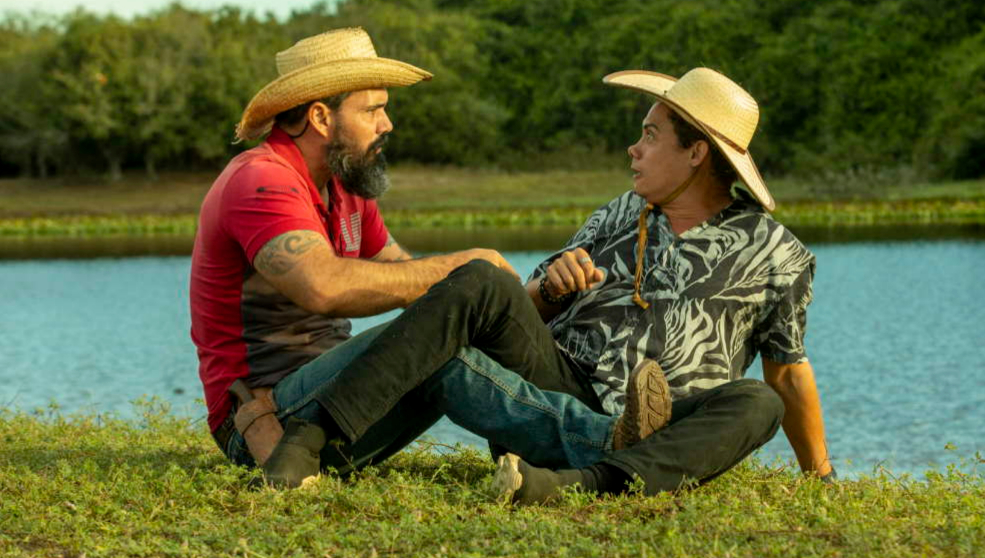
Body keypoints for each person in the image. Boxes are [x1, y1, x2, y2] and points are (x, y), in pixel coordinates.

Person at [189, 27, 671, 488]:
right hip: (262, 422)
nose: (387, 124)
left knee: (449, 335)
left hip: (344, 403)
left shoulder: (346, 189)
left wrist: (508, 298)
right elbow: (322, 286)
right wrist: (469, 271)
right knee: (466, 296)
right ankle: (607, 440)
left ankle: (600, 437)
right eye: (372, 110)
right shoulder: (261, 180)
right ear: (320, 117)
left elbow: (422, 297)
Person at [489, 67, 835, 503]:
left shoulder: (776, 252)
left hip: (663, 434)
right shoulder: (618, 213)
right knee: (482, 299)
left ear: (696, 153)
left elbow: (786, 373)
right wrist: (550, 288)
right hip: (562, 404)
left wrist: (820, 479)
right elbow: (517, 317)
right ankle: (582, 470)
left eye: (650, 136)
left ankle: (584, 482)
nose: (633, 150)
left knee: (759, 402)